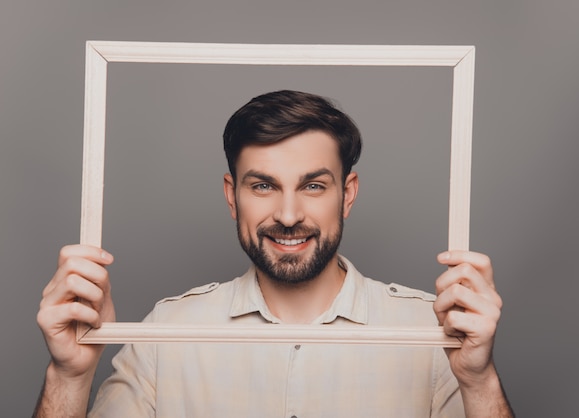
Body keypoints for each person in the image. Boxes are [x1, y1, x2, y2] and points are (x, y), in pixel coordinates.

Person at [34, 90, 514, 417]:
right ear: (232, 195)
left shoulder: (431, 334)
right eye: (263, 185)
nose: (288, 214)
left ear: (347, 194)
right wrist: (69, 376)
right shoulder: (165, 335)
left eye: (313, 185)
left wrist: (480, 380)